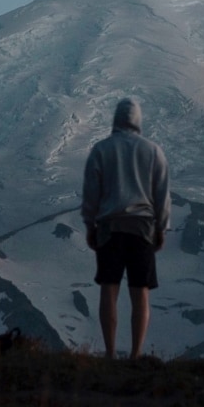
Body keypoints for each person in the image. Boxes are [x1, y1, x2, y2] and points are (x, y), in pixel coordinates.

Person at [81, 97, 171, 360]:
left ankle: (109, 353)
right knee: (139, 291)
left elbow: (91, 193)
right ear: (138, 120)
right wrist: (161, 228)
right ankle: (135, 354)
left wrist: (90, 224)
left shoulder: (101, 150)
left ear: (116, 119)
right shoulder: (153, 151)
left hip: (109, 227)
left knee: (109, 288)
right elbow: (162, 193)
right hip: (142, 228)